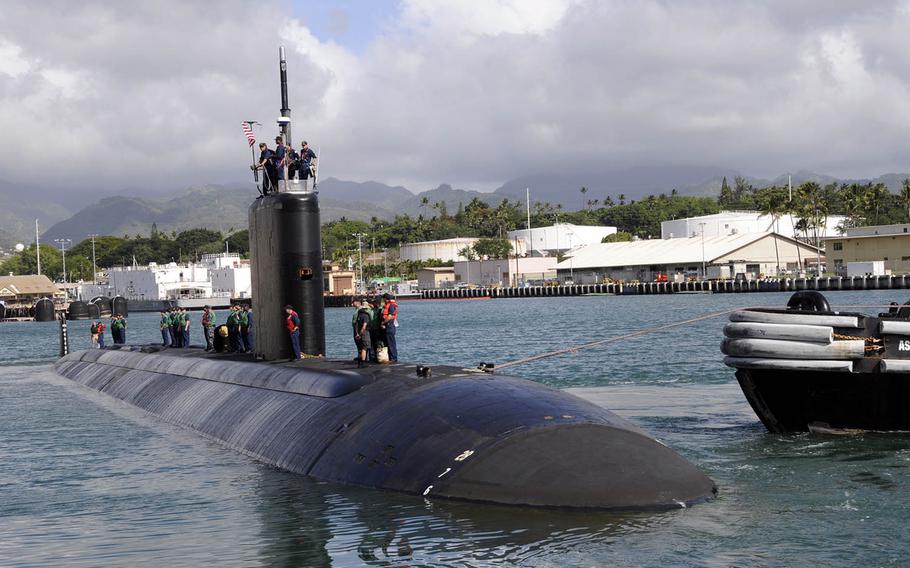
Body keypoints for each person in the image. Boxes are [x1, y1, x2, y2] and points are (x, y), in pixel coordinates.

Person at [353, 300, 372, 368]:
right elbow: (364, 326)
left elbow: (356, 325)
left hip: (358, 332)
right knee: (365, 347)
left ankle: (359, 362)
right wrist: (361, 334)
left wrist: (357, 334)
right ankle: (363, 363)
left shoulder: (359, 315)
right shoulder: (365, 316)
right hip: (364, 332)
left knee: (360, 348)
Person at [381, 293, 399, 362]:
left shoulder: (391, 305)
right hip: (387, 326)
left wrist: (383, 322)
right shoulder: (386, 305)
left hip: (390, 326)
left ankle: (394, 358)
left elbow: (390, 316)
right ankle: (390, 357)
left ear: (386, 298)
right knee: (388, 343)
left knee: (391, 343)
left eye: (383, 299)